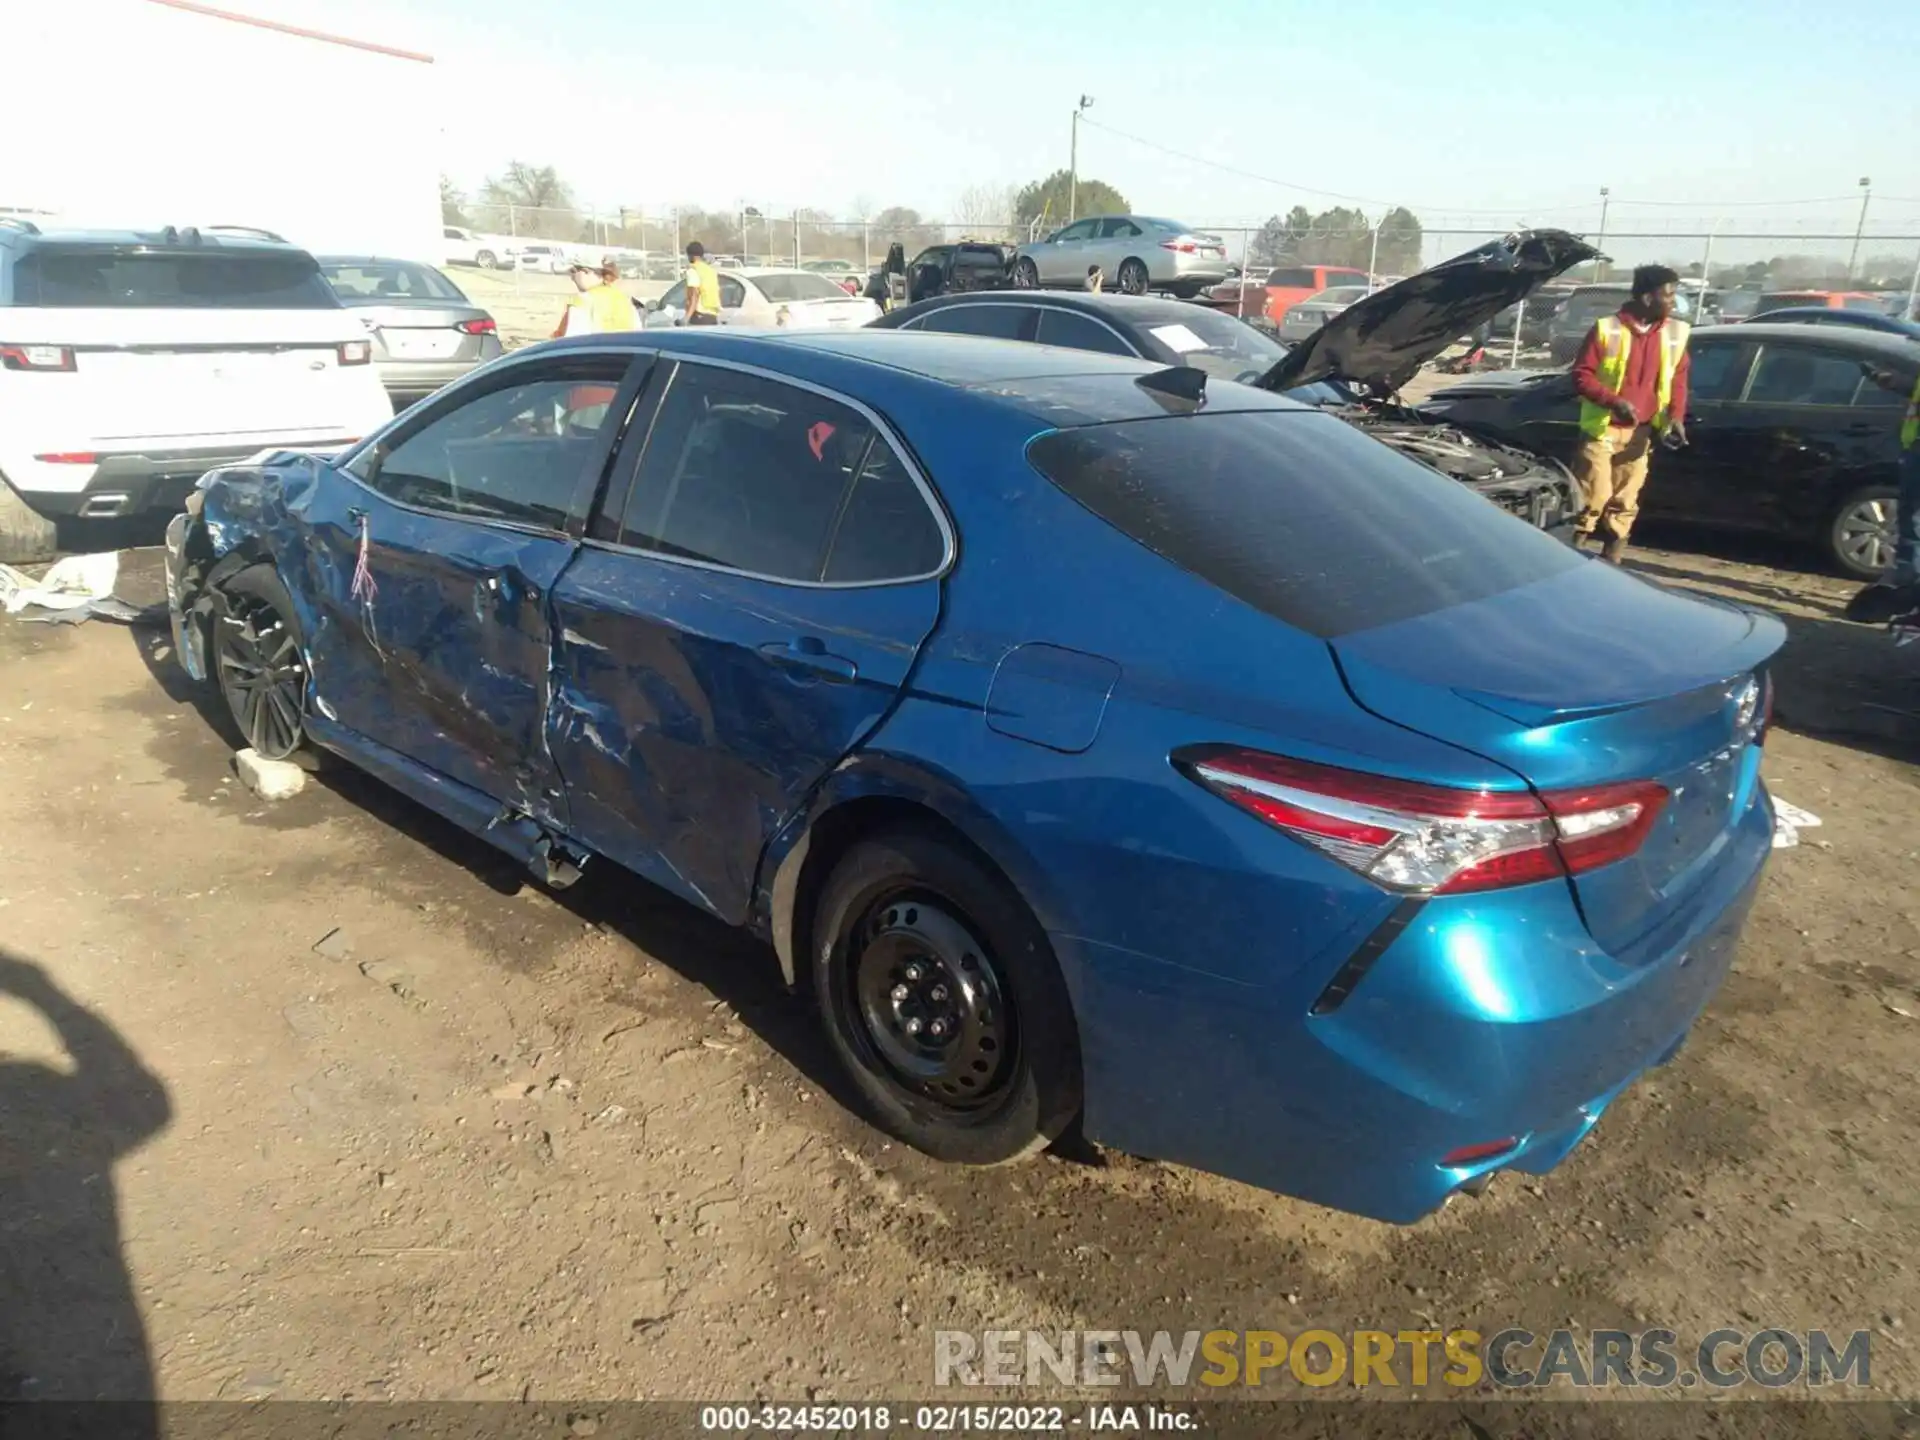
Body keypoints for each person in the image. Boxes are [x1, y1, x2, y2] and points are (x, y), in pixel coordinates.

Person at [1569, 263, 1693, 564]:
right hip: (1603, 428)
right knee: (1593, 496)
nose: (1673, 301)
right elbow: (1581, 375)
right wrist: (1614, 401)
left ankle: (1613, 561)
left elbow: (1678, 379)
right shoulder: (1606, 329)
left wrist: (1675, 417)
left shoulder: (1676, 333)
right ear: (1648, 298)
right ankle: (1569, 556)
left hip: (1641, 433)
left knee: (1625, 501)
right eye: (1669, 295)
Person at [1843, 362, 1920, 622]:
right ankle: (1906, 591)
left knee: (1914, 524)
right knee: (1910, 521)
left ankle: (1908, 596)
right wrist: (1895, 381)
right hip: (1914, 448)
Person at [551, 258, 637, 338]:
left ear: (587, 271)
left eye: (574, 272)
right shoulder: (625, 300)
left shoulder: (582, 300)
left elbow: (571, 342)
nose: (572, 278)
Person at [684, 241, 721, 326]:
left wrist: (686, 318)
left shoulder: (693, 270)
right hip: (712, 316)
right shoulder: (711, 271)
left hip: (699, 316)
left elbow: (694, 295)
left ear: (690, 255)